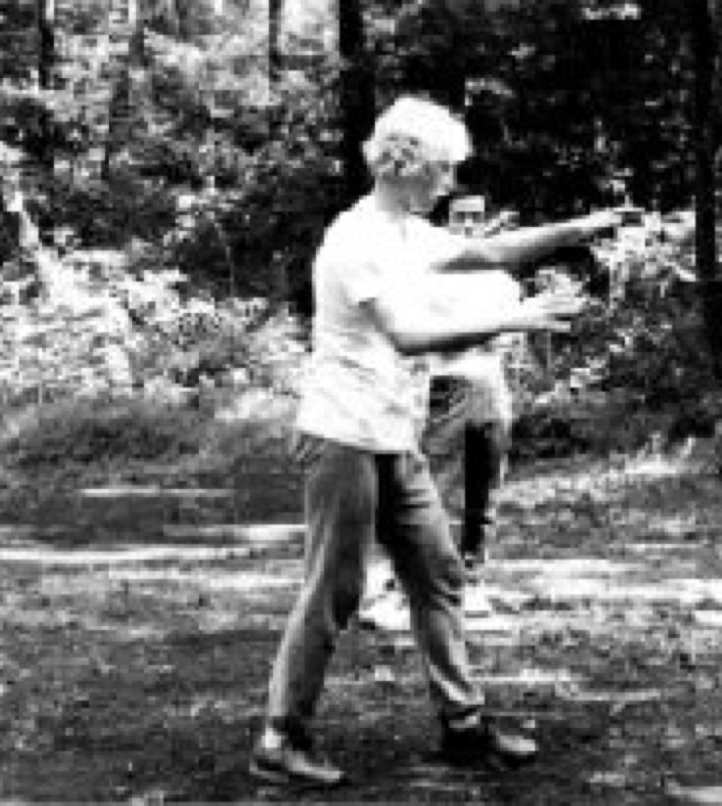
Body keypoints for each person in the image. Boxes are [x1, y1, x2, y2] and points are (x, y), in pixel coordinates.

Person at [251, 95, 621, 787]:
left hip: (393, 433)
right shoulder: (356, 237)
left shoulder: (409, 231)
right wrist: (517, 319)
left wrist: (575, 227)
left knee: (438, 570)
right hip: (343, 431)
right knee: (335, 588)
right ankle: (280, 736)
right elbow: (406, 335)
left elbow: (488, 250)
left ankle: (463, 727)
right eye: (443, 168)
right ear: (407, 165)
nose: (450, 182)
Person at [358, 194, 520, 626]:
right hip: (443, 387)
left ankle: (471, 580)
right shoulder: (427, 275)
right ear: (446, 222)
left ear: (486, 223)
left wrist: (469, 332)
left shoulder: (500, 278)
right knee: (434, 490)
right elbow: (419, 334)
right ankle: (410, 587)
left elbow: (504, 336)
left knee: (484, 492)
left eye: (475, 218)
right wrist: (472, 332)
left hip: (491, 384)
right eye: (460, 217)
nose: (468, 225)